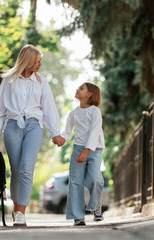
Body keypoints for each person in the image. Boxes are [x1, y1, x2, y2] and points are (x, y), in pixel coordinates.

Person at [0, 44, 64, 227]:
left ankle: (21, 213)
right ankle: (16, 211)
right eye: (37, 61)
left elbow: (49, 109)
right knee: (15, 171)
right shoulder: (8, 80)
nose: (39, 65)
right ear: (28, 60)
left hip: (34, 126)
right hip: (12, 125)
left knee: (26, 169)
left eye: (40, 61)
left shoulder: (41, 82)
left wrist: (55, 132)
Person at [54, 82, 105, 226]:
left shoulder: (95, 111)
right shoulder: (73, 113)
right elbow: (68, 132)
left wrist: (86, 151)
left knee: (94, 178)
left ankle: (96, 207)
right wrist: (62, 139)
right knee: (75, 182)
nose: (77, 89)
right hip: (78, 149)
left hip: (94, 149)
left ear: (89, 94)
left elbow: (94, 132)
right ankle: (78, 216)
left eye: (81, 88)